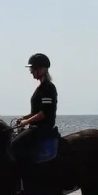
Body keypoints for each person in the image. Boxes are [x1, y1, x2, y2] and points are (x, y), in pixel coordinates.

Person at [9, 53, 58, 182]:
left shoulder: (48, 88)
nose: (31, 71)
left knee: (16, 145)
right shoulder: (41, 88)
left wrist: (27, 121)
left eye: (33, 68)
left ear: (43, 69)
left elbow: (44, 113)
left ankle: (28, 177)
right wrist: (23, 117)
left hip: (43, 127)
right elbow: (37, 111)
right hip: (36, 125)